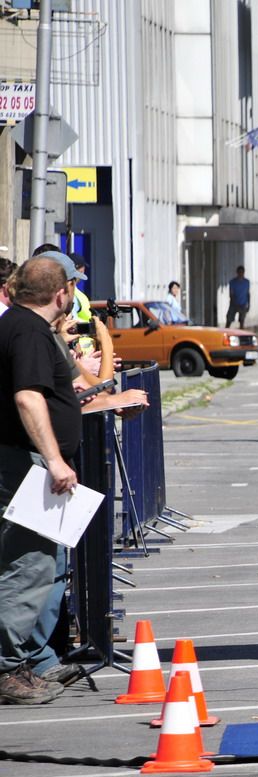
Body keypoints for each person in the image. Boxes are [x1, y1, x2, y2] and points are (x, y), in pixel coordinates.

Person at [0, 256, 82, 704]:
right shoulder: (28, 331)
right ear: (60, 294)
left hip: (20, 461)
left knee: (31, 563)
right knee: (29, 565)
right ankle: (7, 669)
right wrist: (54, 460)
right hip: (24, 464)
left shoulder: (19, 325)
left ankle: (21, 663)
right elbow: (28, 397)